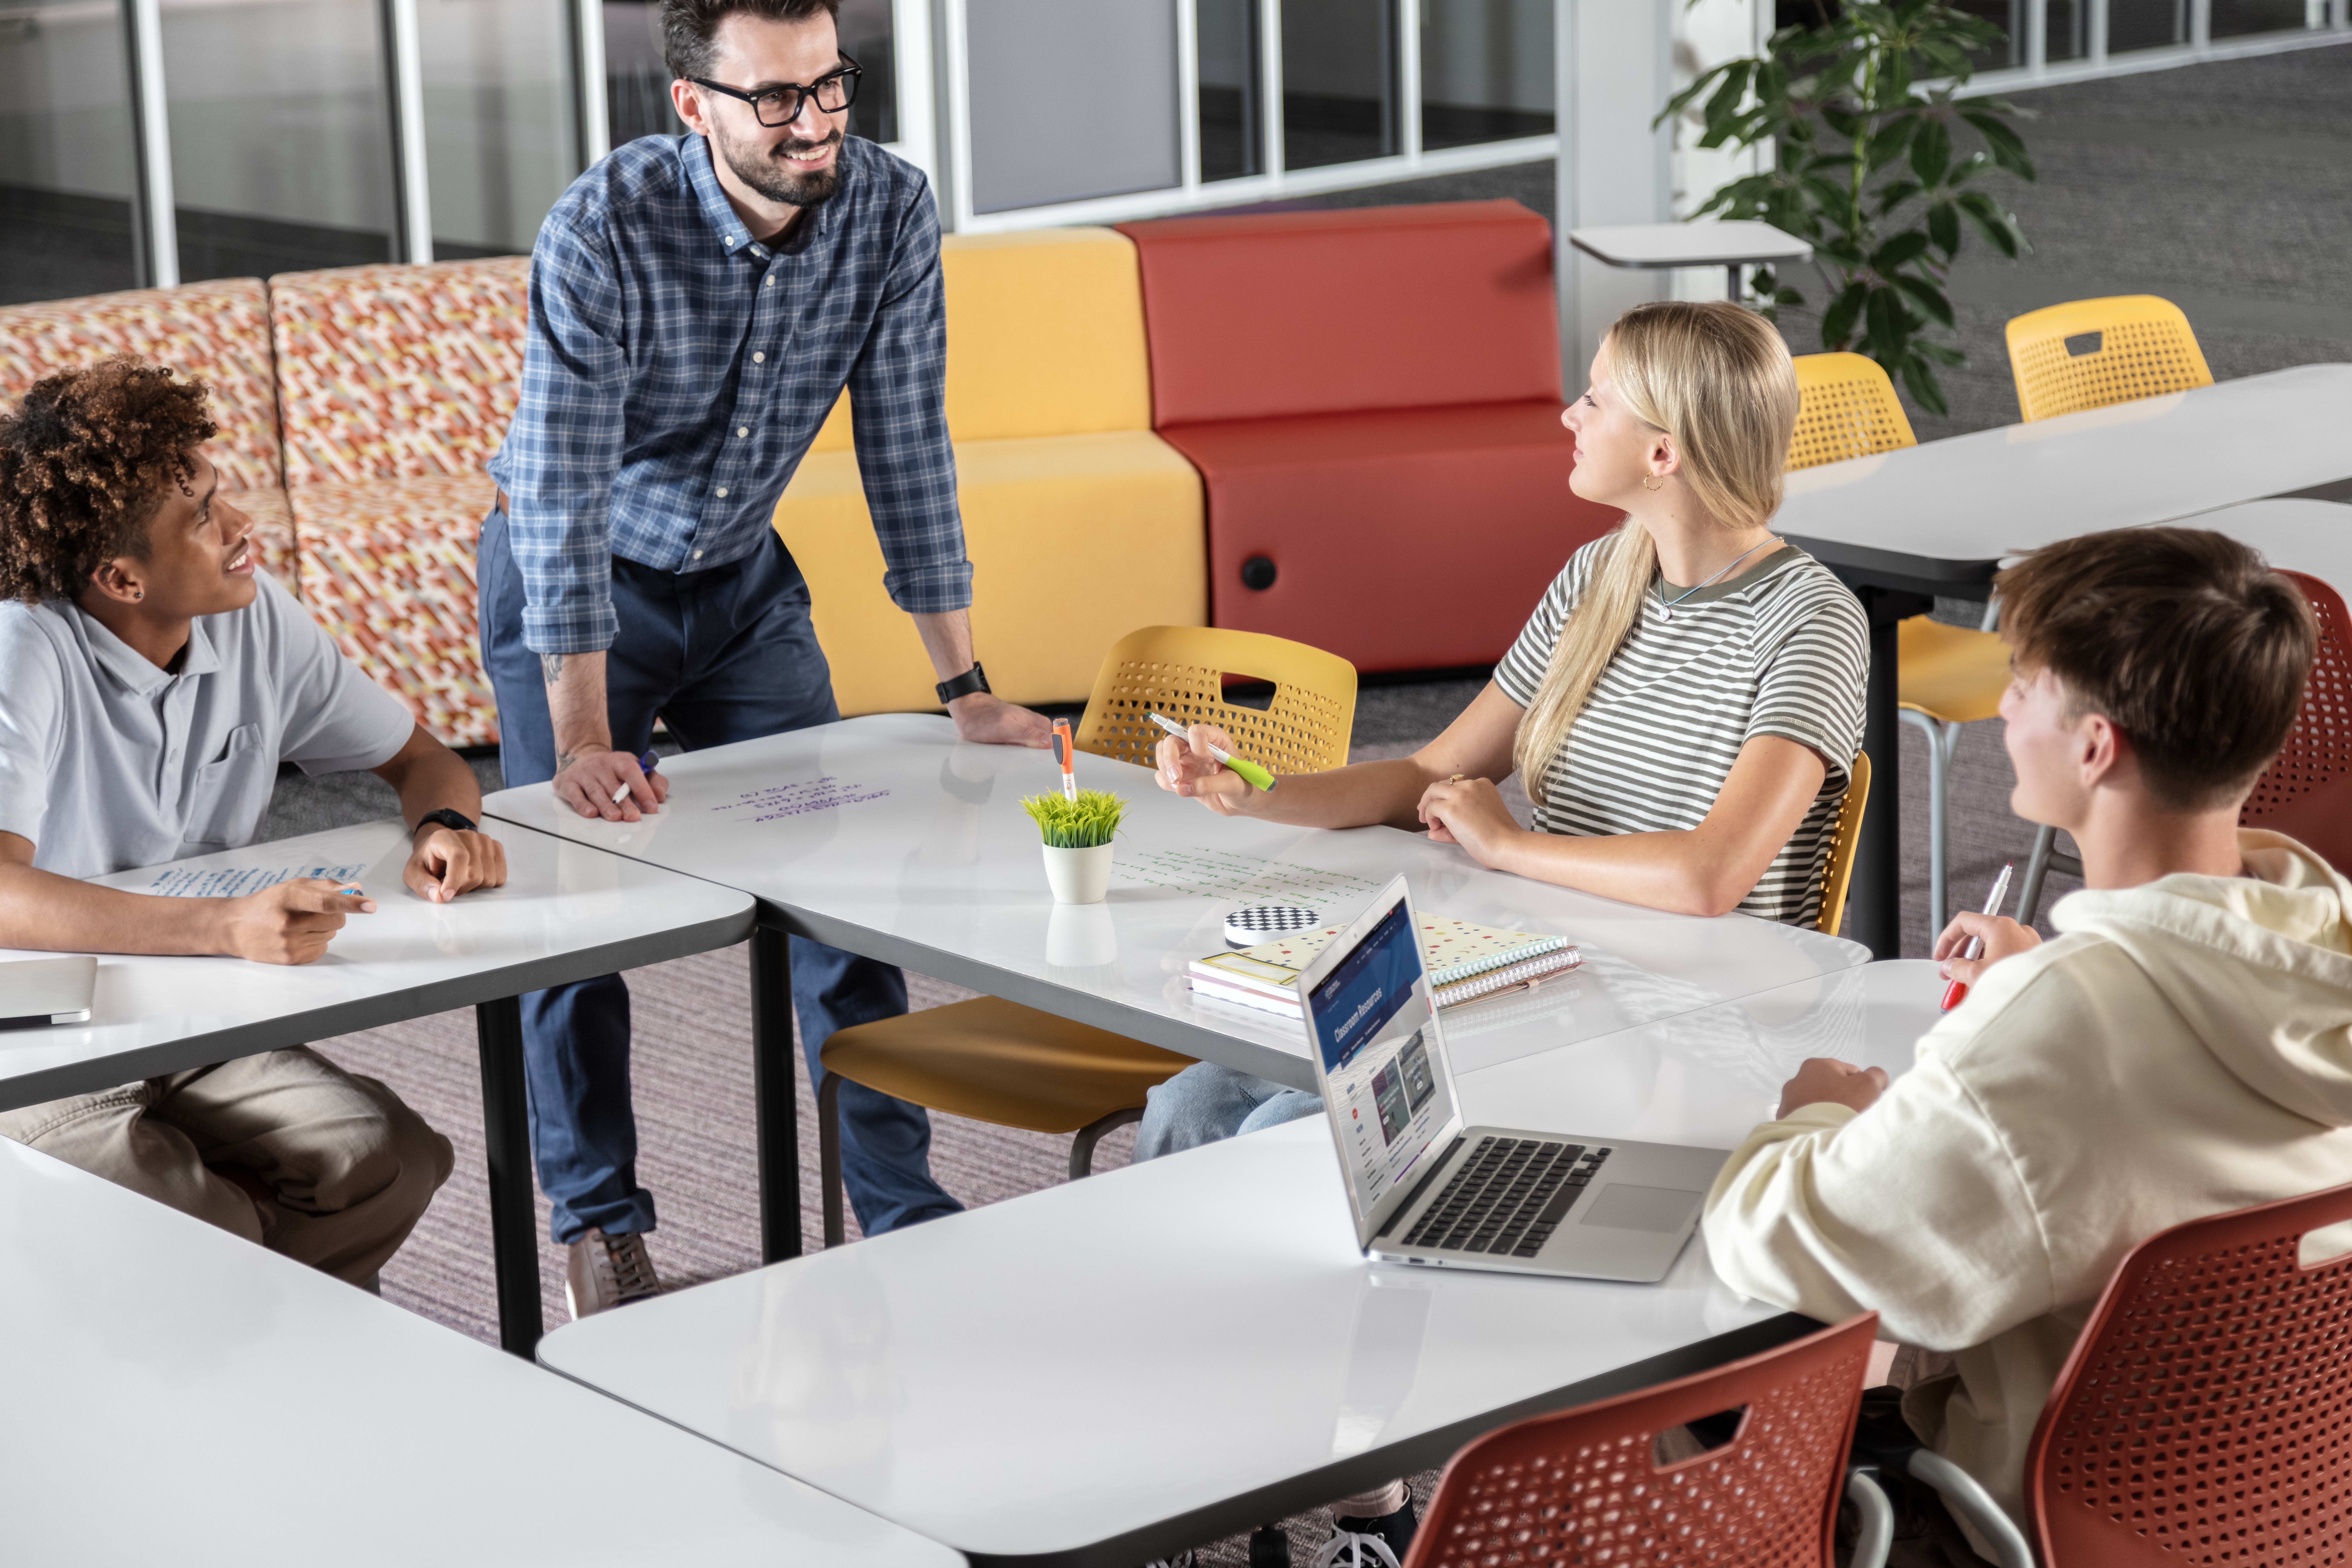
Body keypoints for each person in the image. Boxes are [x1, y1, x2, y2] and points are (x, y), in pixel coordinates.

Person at [1139, 299, 1868, 1561]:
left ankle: (1333, 1490)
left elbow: (1712, 876)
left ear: (1666, 449)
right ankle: (1303, 1486)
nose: (1570, 414)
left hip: (1677, 1027)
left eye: (1598, 397)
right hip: (1534, 978)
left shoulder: (1810, 620)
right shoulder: (1601, 574)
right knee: (1197, 1108)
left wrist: (1506, 842)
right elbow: (1432, 768)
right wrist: (1250, 786)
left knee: (1281, 1138)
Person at [482, 0, 1049, 1315]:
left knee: (838, 878)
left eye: (833, 86)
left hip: (739, 580)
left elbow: (909, 448)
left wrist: (961, 686)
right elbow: (561, 487)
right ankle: (601, 1222)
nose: (818, 124)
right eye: (777, 99)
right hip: (573, 582)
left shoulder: (889, 211)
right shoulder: (603, 225)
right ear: (695, 105)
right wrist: (580, 730)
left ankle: (899, 1205)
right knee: (572, 907)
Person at [1704, 525, 2350, 1564]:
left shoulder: (2054, 1031)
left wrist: (1818, 1111)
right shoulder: (2316, 939)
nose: (2003, 707)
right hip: (2282, 1504)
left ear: (2097, 747)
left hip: (2026, 1523)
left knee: (1700, 1426)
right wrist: (2043, 976)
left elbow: (1782, 1247)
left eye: (2026, 683)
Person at [0, 359, 505, 1286]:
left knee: (385, 1157)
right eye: (203, 516)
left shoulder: (255, 616)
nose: (241, 527)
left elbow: (423, 758)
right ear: (120, 576)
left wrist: (441, 823)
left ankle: (244, 1334)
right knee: (202, 1230)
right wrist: (223, 927)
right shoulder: (20, 646)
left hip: (186, 1009)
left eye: (220, 493)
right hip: (31, 1032)